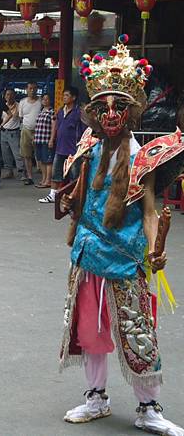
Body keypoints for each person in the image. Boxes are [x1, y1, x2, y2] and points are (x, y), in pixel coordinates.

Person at [58, 36, 184, 436]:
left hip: (126, 259)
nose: (111, 113)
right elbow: (78, 200)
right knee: (90, 332)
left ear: (131, 114)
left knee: (137, 332)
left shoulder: (140, 156)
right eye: (104, 107)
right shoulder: (87, 151)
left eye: (120, 107)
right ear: (94, 112)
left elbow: (149, 212)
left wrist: (153, 251)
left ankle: (149, 407)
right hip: (87, 255)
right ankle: (96, 397)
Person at [39, 86, 85, 203]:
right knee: (56, 172)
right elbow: (56, 127)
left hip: (74, 149)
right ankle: (52, 195)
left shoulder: (78, 112)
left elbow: (84, 130)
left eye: (67, 95)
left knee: (75, 175)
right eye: (63, 95)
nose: (64, 98)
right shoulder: (60, 111)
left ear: (73, 98)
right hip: (60, 147)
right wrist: (52, 139)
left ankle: (75, 197)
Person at [18, 81, 42, 185]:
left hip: (40, 130)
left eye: (34, 88)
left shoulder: (41, 101)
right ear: (27, 90)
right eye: (30, 88)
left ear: (37, 89)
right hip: (26, 129)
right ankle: (30, 176)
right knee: (26, 154)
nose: (32, 90)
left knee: (40, 154)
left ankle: (43, 176)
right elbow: (21, 117)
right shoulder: (22, 102)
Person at [0, 89, 24, 181]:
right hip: (4, 131)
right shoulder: (3, 105)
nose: (9, 97)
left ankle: (22, 172)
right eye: (7, 95)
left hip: (14, 132)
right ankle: (9, 171)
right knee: (5, 154)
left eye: (11, 95)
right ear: (4, 96)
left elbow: (17, 117)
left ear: (14, 96)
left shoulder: (18, 106)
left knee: (17, 154)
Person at [33, 94, 55, 189]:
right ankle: (43, 178)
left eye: (47, 99)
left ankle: (48, 180)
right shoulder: (41, 111)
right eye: (43, 99)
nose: (45, 101)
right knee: (41, 160)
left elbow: (54, 127)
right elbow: (37, 126)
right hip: (39, 139)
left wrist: (52, 139)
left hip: (46, 139)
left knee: (48, 161)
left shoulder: (52, 112)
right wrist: (34, 137)